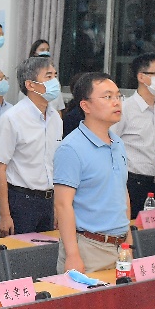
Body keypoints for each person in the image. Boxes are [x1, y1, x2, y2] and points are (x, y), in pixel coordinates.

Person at [54, 72, 130, 274]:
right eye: (107, 97)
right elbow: (63, 205)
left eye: (118, 96)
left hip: (120, 246)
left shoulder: (118, 143)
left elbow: (122, 192)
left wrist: (128, 240)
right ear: (85, 106)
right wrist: (72, 255)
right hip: (88, 247)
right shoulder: (71, 148)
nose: (116, 102)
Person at [0, 56, 62, 235]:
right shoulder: (12, 118)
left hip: (48, 200)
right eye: (48, 76)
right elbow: (0, 168)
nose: (55, 82)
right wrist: (5, 214)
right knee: (21, 251)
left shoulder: (55, 118)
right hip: (20, 201)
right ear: (30, 85)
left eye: (55, 76)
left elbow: (55, 164)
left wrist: (56, 206)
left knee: (47, 251)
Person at [111, 53, 155, 218]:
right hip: (132, 183)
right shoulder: (125, 109)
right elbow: (109, 146)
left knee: (153, 232)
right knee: (131, 229)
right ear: (141, 77)